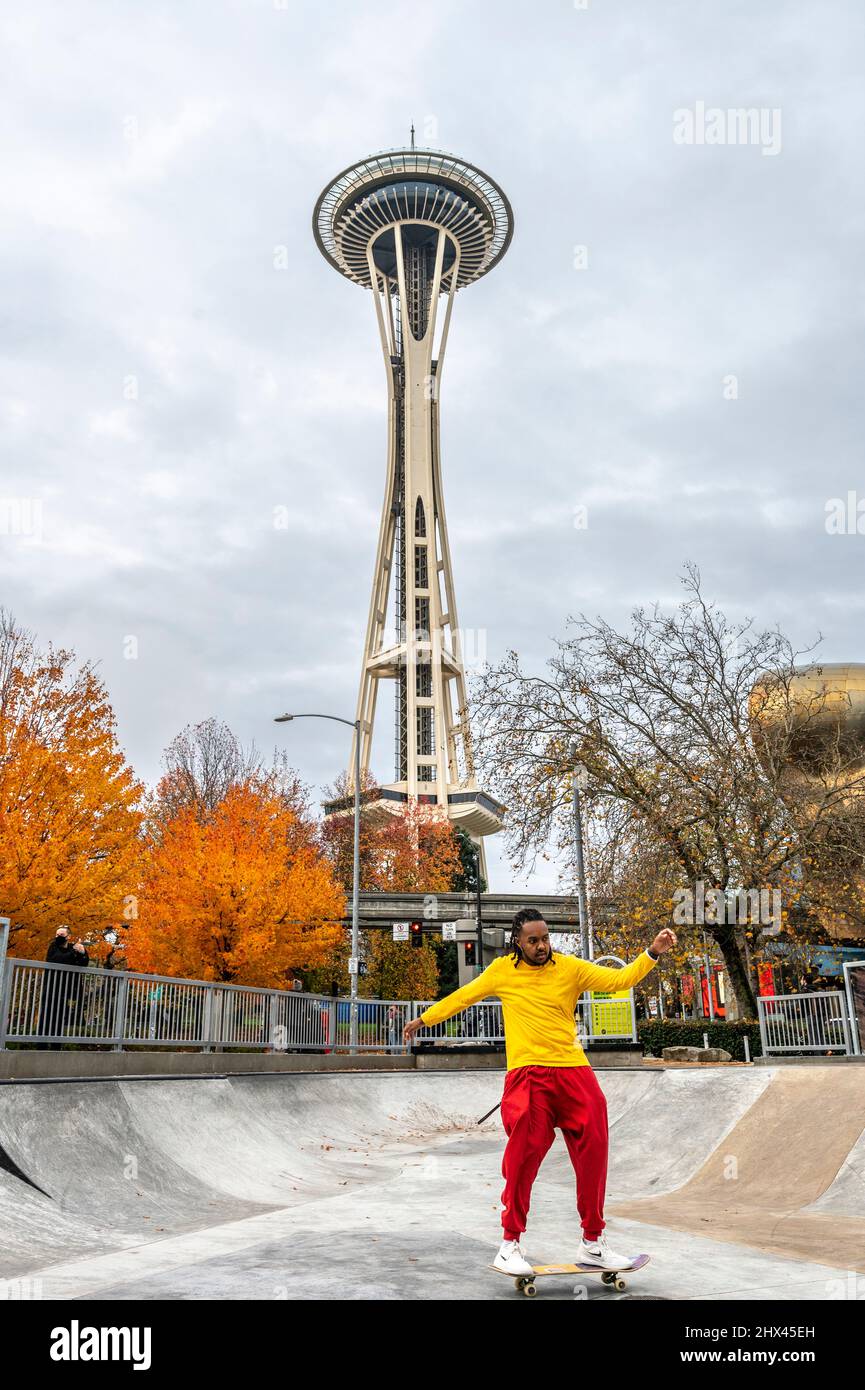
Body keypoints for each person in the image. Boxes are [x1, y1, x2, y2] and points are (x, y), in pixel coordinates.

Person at [404, 907, 676, 1276]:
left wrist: (652, 952)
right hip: (529, 1074)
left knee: (594, 1146)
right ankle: (510, 1244)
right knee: (522, 1158)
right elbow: (463, 997)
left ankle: (593, 1242)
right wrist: (424, 1019)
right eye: (533, 940)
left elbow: (620, 980)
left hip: (574, 1071)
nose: (542, 946)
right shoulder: (501, 971)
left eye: (545, 938)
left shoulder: (570, 968)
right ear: (518, 941)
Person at [38, 926, 90, 1049]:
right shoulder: (53, 947)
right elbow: (58, 959)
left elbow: (83, 963)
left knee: (59, 1019)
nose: (58, 937)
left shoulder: (73, 947)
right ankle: (41, 1046)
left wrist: (83, 952)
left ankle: (56, 1047)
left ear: (68, 936)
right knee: (46, 1017)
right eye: (57, 935)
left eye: (61, 935)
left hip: (64, 990)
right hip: (51, 989)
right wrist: (74, 952)